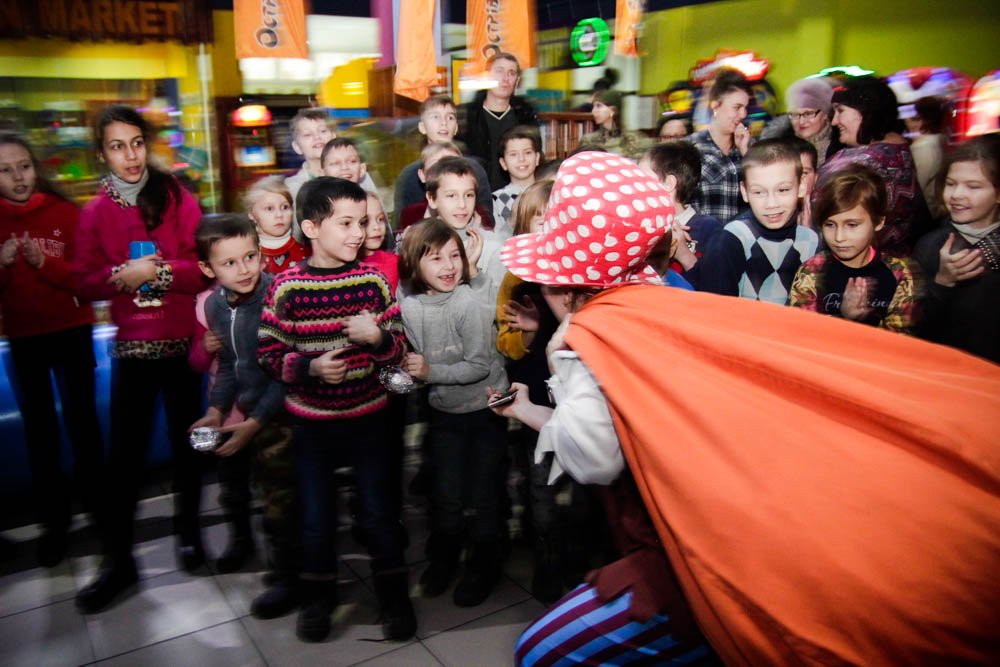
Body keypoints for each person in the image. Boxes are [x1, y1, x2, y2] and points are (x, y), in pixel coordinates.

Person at [496, 150, 1000, 666]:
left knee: (542, 652)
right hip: (727, 521)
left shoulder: (597, 334)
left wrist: (565, 356)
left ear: (565, 284)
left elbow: (593, 461)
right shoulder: (662, 302)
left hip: (700, 550)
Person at [257, 177, 415, 642]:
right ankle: (318, 599)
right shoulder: (286, 287)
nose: (358, 233)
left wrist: (378, 338)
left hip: (370, 419)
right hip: (311, 427)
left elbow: (398, 350)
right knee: (316, 518)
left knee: (379, 513)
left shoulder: (372, 282)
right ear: (310, 228)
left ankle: (394, 598)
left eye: (362, 223)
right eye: (345, 223)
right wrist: (309, 369)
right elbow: (269, 354)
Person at [73, 105, 208, 613]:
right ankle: (118, 560)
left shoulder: (176, 197)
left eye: (136, 143)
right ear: (102, 153)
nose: (130, 155)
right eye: (117, 146)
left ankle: (190, 534)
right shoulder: (94, 212)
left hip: (182, 346)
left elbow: (203, 267)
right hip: (133, 351)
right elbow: (83, 283)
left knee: (189, 446)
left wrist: (158, 272)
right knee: (124, 460)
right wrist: (120, 276)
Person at [0, 133, 103, 568]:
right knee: (41, 433)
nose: (18, 177)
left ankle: (101, 512)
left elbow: (87, 278)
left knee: (84, 424)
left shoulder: (65, 212)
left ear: (36, 167)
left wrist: (46, 263)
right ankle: (54, 525)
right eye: (6, 170)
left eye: (24, 166)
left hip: (72, 332)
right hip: (25, 339)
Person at [397, 219, 509, 607]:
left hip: (483, 411)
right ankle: (445, 556)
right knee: (445, 493)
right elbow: (414, 356)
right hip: (444, 413)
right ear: (414, 264)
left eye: (454, 256)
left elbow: (478, 366)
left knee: (483, 494)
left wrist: (430, 372)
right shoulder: (410, 306)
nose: (448, 266)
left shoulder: (466, 304)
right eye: (435, 258)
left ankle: (485, 563)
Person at [496, 181, 592, 603]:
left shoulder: (582, 273)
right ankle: (547, 561)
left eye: (558, 220)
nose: (550, 228)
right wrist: (531, 332)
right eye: (541, 220)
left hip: (579, 399)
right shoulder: (518, 280)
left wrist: (548, 325)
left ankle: (578, 559)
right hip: (536, 398)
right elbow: (507, 345)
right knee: (542, 489)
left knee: (583, 488)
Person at [190, 216, 294, 589]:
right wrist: (216, 409)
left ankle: (287, 576)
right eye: (229, 262)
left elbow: (288, 371)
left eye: (250, 257)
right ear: (208, 269)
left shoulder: (278, 297)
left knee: (281, 501)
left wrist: (255, 423)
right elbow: (230, 365)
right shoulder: (215, 307)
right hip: (249, 413)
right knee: (244, 489)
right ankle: (259, 553)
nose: (244, 269)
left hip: (281, 416)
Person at [790, 163, 918, 333]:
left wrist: (864, 322)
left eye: (852, 225)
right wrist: (844, 318)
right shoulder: (812, 272)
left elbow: (901, 339)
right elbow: (802, 334)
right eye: (830, 225)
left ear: (879, 222)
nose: (839, 237)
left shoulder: (898, 273)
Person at [819, 75, 933, 257]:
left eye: (840, 111)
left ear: (866, 111)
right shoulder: (900, 151)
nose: (834, 121)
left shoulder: (864, 163)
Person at [697, 139, 819, 304]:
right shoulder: (729, 240)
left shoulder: (813, 241)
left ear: (801, 187)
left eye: (782, 190)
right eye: (759, 192)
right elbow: (714, 309)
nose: (771, 204)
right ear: (744, 192)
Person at [913, 134, 1000, 364]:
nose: (957, 195)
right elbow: (917, 327)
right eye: (951, 184)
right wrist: (942, 282)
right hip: (948, 368)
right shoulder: (930, 246)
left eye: (973, 187)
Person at [393, 94, 493, 225]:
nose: (443, 123)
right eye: (435, 117)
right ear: (422, 127)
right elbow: (401, 225)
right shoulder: (409, 175)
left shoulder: (475, 169)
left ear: (456, 127)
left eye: (450, 117)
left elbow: (487, 219)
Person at [421, 156, 506, 303]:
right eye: (451, 196)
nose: (462, 204)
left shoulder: (494, 247)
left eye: (468, 195)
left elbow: (499, 307)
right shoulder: (420, 244)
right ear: (432, 199)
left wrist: (473, 273)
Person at [639, 141, 722, 288]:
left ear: (669, 183)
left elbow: (713, 288)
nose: (636, 187)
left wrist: (684, 254)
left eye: (643, 180)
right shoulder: (640, 227)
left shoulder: (707, 228)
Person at [457, 52, 540, 190]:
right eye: (499, 71)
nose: (505, 78)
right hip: (477, 192)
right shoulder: (467, 116)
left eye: (511, 73)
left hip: (519, 193)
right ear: (487, 76)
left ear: (517, 80)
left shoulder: (525, 116)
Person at [687, 68, 753, 222]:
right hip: (704, 235)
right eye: (737, 107)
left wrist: (745, 151)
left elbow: (761, 190)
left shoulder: (750, 147)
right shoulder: (692, 148)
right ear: (715, 105)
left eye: (745, 108)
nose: (743, 114)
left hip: (742, 235)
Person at [397, 143, 495, 235]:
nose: (462, 204)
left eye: (454, 165)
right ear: (422, 175)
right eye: (451, 195)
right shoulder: (411, 215)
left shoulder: (477, 212)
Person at [244, 175, 308, 273]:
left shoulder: (308, 256)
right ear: (252, 214)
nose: (279, 215)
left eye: (285, 207)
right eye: (269, 209)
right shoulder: (245, 257)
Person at [492, 126, 542, 238]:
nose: (521, 159)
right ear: (503, 163)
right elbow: (496, 239)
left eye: (527, 152)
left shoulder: (547, 192)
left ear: (537, 157)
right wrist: (512, 220)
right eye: (513, 154)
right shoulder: (495, 199)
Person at [905, 95, 949, 215]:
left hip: (926, 212)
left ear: (923, 120)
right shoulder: (942, 140)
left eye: (914, 118)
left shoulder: (923, 147)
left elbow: (916, 186)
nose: (907, 121)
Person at [785, 76, 842, 166]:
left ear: (826, 114)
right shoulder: (782, 147)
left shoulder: (842, 145)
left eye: (808, 113)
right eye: (795, 114)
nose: (801, 121)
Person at [579, 89, 647, 160]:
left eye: (599, 106)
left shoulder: (633, 139)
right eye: (593, 106)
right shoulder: (588, 140)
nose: (593, 111)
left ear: (613, 110)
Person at [788, 136, 819, 228]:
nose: (798, 180)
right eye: (789, 173)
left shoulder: (827, 215)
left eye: (804, 173)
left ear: (815, 178)